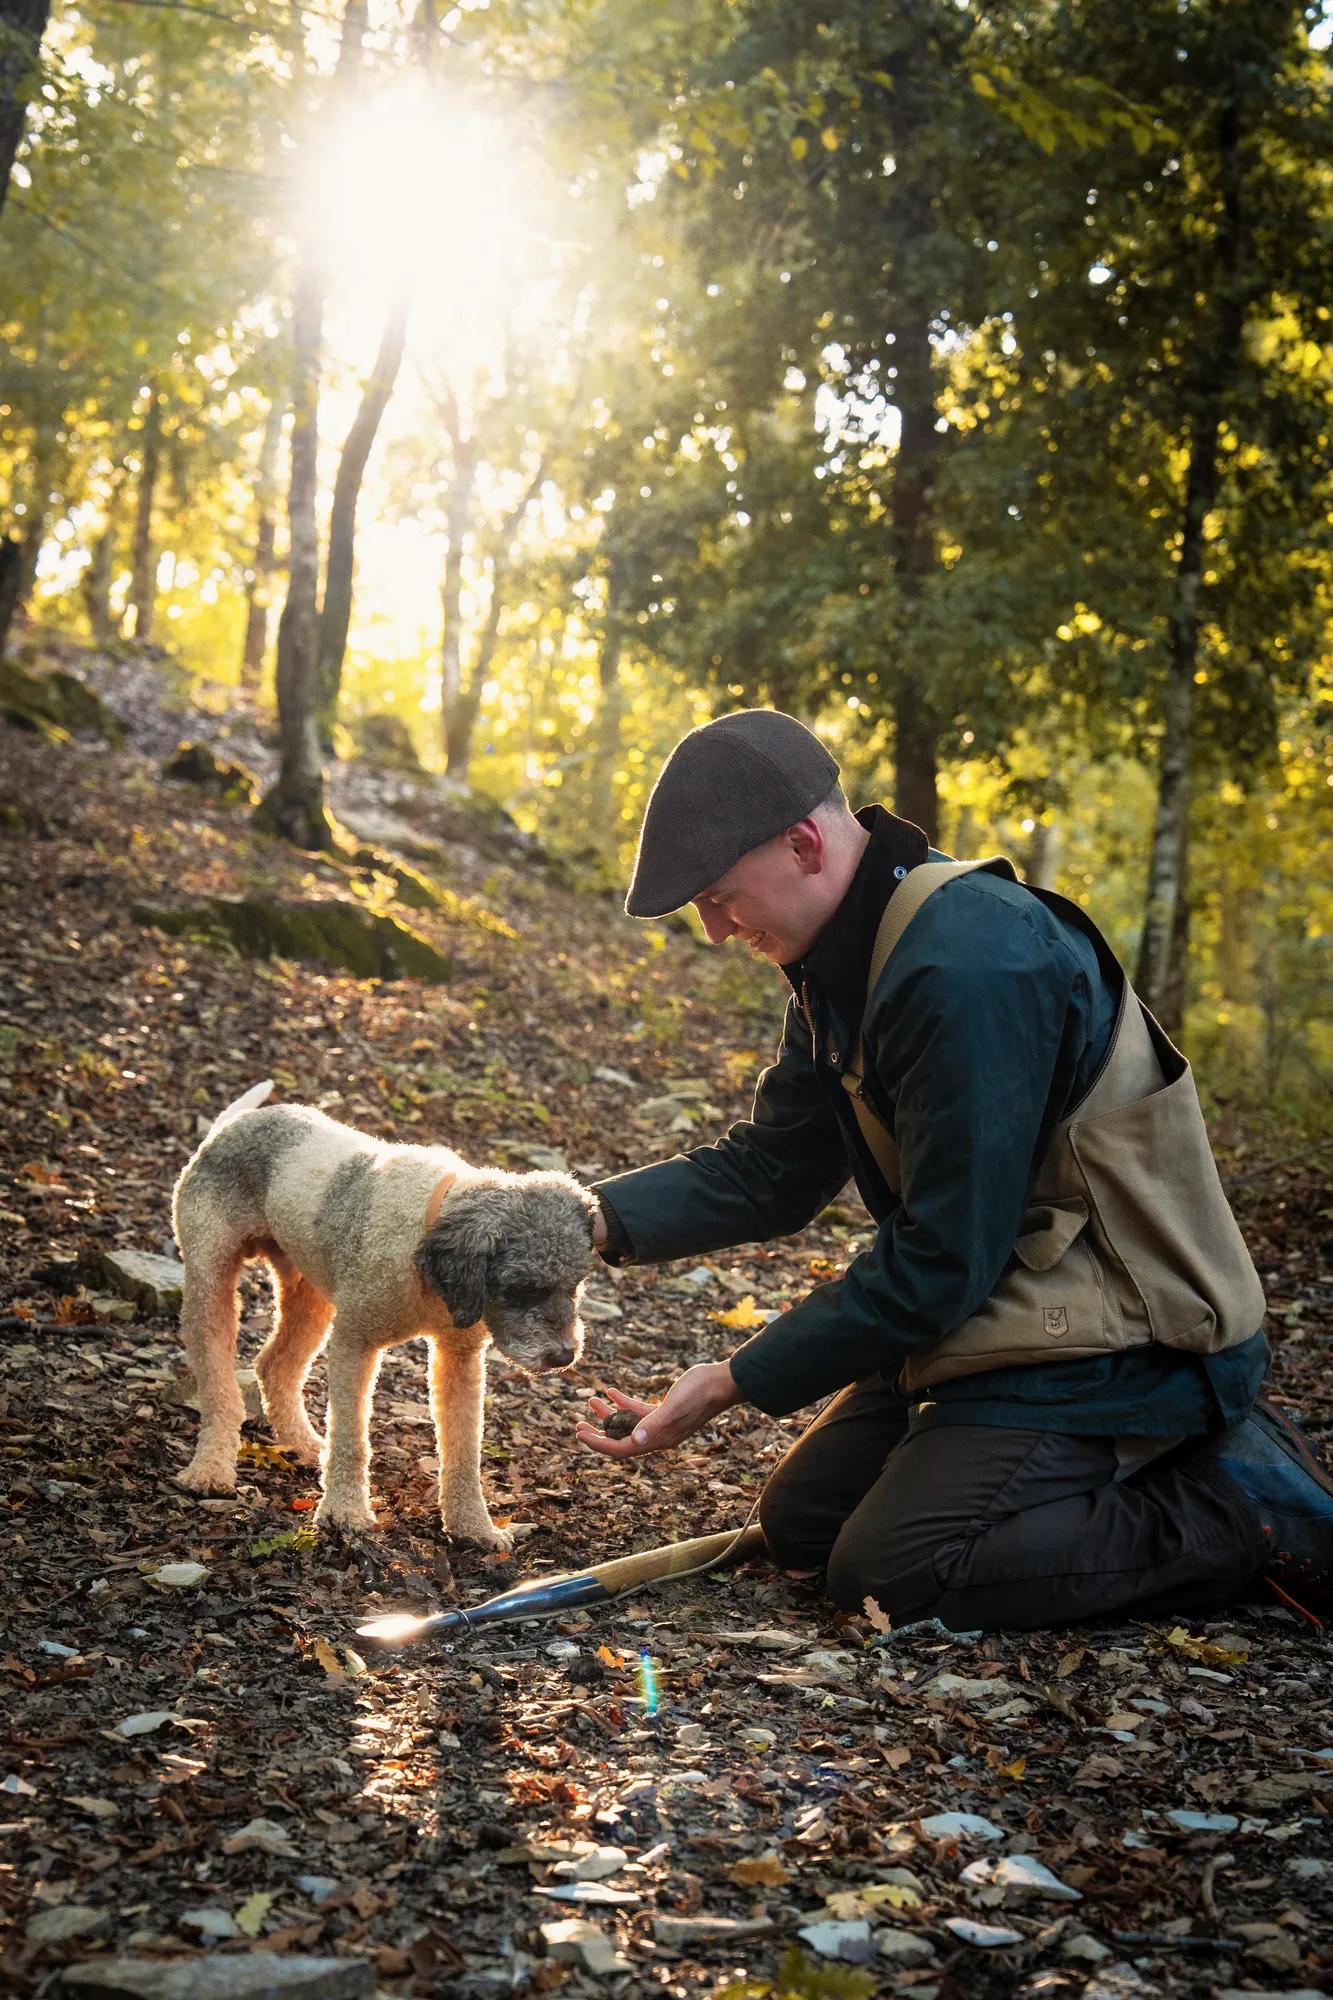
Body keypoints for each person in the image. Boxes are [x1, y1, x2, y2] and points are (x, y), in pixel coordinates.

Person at [577, 708, 1333, 1631]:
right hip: (1009, 1310)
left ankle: (1242, 1505)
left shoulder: (970, 962)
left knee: (892, 1574)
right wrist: (576, 1218)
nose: (714, 928)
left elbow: (940, 1259)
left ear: (804, 843)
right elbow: (773, 1172)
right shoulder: (836, 958)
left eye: (720, 895)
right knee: (801, 1523)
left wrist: (734, 1377)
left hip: (1131, 1338)